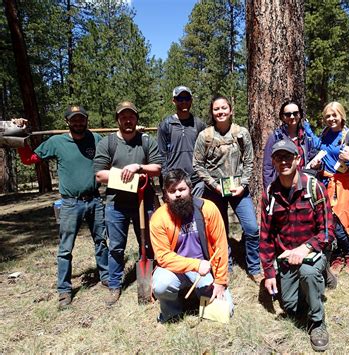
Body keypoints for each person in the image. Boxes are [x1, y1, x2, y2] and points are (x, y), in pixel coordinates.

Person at [14, 106, 109, 309]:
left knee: (101, 241)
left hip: (94, 200)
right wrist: (21, 135)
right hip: (70, 203)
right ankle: (64, 290)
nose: (78, 123)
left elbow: (114, 153)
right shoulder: (56, 142)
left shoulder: (96, 140)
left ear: (86, 120)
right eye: (74, 120)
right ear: (67, 122)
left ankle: (107, 276)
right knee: (65, 249)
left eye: (81, 119)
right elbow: (28, 159)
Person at [260, 139, 335, 352]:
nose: (283, 161)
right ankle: (317, 281)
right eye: (278, 157)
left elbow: (327, 230)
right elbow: (265, 235)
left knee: (308, 272)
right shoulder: (270, 194)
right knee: (291, 308)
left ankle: (318, 323)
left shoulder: (315, 188)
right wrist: (268, 273)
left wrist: (306, 248)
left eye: (287, 156)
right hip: (286, 258)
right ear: (273, 161)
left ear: (297, 159)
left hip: (311, 252)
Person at [94, 101, 161, 306]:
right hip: (116, 204)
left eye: (131, 116)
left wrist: (138, 167)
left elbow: (157, 167)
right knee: (116, 247)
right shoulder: (108, 143)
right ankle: (115, 286)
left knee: (149, 243)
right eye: (123, 117)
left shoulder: (147, 141)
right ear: (118, 120)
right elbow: (99, 175)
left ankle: (153, 281)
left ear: (136, 119)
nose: (128, 120)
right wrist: (128, 177)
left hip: (145, 201)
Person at [193, 95, 262, 282]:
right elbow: (198, 165)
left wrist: (243, 184)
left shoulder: (241, 133)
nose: (220, 112)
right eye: (216, 109)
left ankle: (254, 267)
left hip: (239, 190)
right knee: (220, 230)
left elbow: (249, 161)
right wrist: (213, 185)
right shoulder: (205, 136)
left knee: (252, 228)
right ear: (212, 112)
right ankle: (226, 265)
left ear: (231, 110)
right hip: (214, 191)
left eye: (224, 108)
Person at [150, 169, 233, 323]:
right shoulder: (158, 218)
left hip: (205, 270)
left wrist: (220, 281)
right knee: (161, 285)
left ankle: (201, 296)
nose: (178, 194)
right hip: (175, 270)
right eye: (172, 191)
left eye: (182, 189)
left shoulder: (208, 208)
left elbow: (220, 246)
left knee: (226, 312)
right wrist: (195, 264)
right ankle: (172, 311)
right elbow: (163, 257)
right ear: (166, 194)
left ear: (190, 189)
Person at [309, 102, 349, 276]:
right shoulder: (325, 134)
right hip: (325, 183)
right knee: (329, 220)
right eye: (327, 116)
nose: (331, 119)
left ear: (342, 116)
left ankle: (347, 253)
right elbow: (321, 154)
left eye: (334, 115)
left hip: (341, 184)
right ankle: (338, 255)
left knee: (340, 220)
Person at [157, 86, 206, 196]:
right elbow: (161, 154)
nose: (184, 102)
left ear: (191, 100)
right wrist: (166, 178)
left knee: (197, 212)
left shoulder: (199, 124)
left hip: (196, 181)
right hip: (175, 182)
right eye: (180, 99)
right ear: (174, 101)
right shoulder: (165, 125)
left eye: (187, 98)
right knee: (176, 212)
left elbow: (206, 152)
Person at [262, 100, 318, 189]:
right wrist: (269, 189)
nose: (292, 117)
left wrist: (317, 165)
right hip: (281, 185)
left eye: (295, 113)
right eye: (288, 114)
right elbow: (268, 167)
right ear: (282, 117)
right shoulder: (275, 137)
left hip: (303, 185)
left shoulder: (307, 137)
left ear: (300, 115)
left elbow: (313, 159)